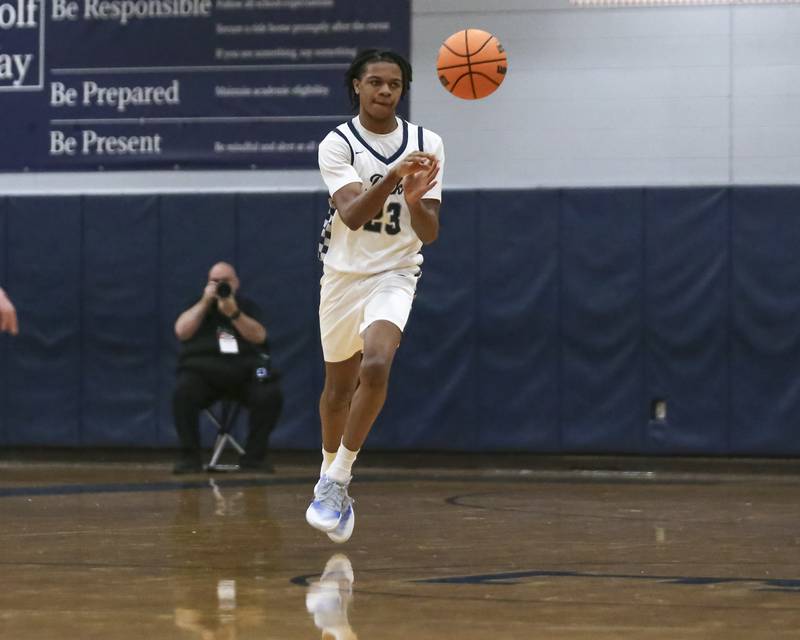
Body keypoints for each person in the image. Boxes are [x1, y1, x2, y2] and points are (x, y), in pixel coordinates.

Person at [306, 49, 445, 543]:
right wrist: (391, 179)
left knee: (378, 365)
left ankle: (339, 479)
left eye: (394, 84)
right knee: (338, 391)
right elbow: (352, 215)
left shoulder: (428, 143)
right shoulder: (337, 144)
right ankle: (326, 471)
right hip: (342, 275)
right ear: (357, 88)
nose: (385, 91)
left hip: (396, 271)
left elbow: (428, 233)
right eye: (376, 83)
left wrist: (414, 202)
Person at [172, 262, 282, 474]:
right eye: (215, 281)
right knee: (183, 392)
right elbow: (181, 331)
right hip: (203, 374)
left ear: (236, 283)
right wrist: (205, 302)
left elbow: (259, 336)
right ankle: (189, 457)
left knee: (269, 394)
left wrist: (234, 314)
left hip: (244, 374)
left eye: (226, 281)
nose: (220, 285)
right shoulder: (196, 305)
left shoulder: (246, 306)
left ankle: (254, 457)